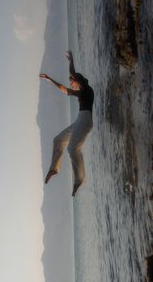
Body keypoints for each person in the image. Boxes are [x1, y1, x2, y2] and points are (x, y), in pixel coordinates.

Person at [39, 50, 94, 196]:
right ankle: (54, 168)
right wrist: (50, 79)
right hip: (80, 119)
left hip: (85, 119)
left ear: (78, 80)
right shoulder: (81, 92)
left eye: (72, 81)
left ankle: (79, 180)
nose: (71, 83)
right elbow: (65, 90)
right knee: (58, 140)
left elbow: (73, 73)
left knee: (72, 149)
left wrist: (71, 61)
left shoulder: (86, 90)